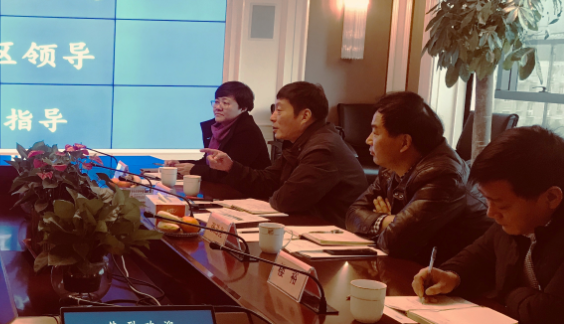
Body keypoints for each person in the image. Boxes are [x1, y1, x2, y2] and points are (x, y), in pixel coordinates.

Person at [413, 126, 564, 324]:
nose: (490, 213)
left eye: (502, 205)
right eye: (487, 200)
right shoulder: (516, 222)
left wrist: (508, 292)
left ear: (551, 198)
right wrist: (451, 276)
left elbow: (549, 317)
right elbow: (479, 255)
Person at [346, 92, 491, 264]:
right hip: (418, 265)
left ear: (404, 143)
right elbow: (352, 215)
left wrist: (391, 224)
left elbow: (395, 244)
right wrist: (390, 221)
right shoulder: (392, 167)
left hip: (454, 273)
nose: (368, 140)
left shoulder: (444, 175)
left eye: (376, 133)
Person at [201, 81, 366, 227]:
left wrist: (274, 192)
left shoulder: (323, 150)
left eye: (279, 111)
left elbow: (285, 201)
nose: (272, 118)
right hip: (306, 226)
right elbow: (267, 181)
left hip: (330, 235)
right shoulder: (301, 143)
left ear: (305, 116)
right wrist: (230, 167)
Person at [165, 81, 270, 182]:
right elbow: (208, 162)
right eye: (216, 102)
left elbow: (231, 172)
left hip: (247, 191)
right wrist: (180, 163)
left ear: (243, 108)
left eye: (225, 103)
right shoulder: (218, 128)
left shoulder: (247, 131)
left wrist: (193, 170)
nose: (218, 107)